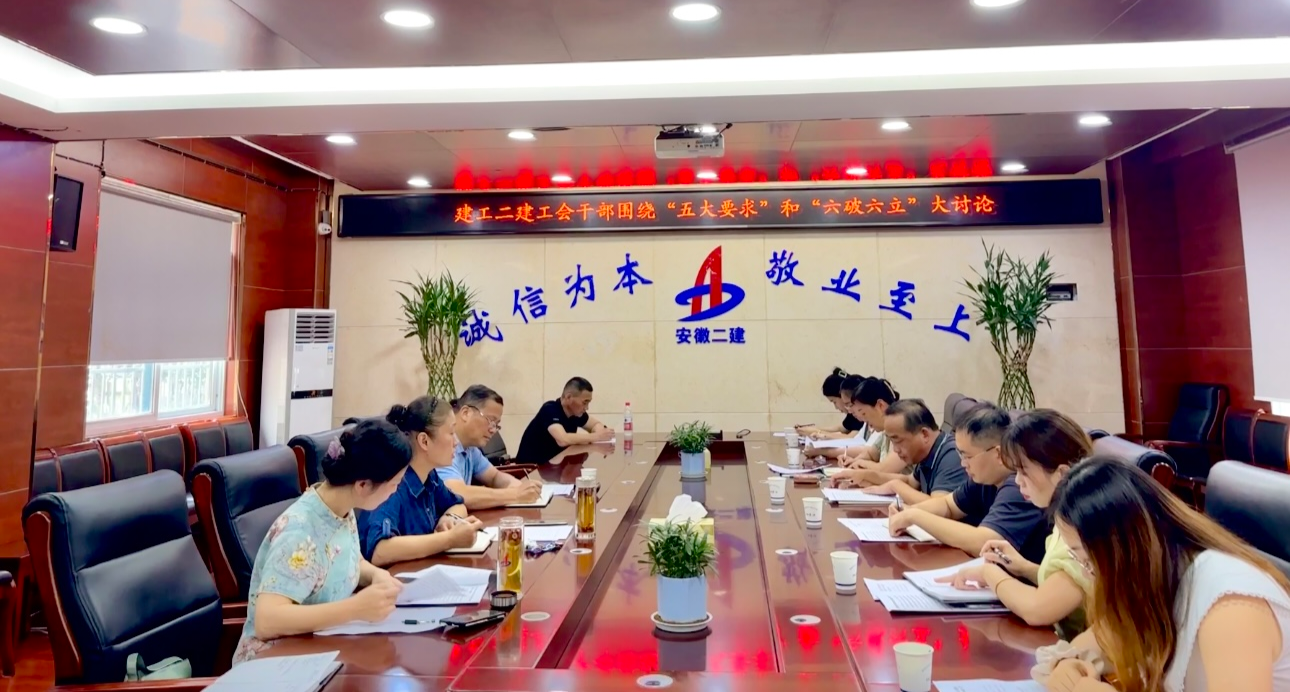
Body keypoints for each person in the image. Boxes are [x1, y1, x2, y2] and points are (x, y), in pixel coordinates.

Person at [1039, 457, 1290, 692]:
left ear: (1125, 547)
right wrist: (1068, 663)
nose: (1088, 574)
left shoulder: (1230, 603)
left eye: (1087, 560)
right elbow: (1100, 639)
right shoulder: (1154, 579)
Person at [233, 419, 411, 664]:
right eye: (394, 484)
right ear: (362, 484)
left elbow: (344, 559)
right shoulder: (300, 531)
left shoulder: (340, 508)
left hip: (317, 649)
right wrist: (356, 608)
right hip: (272, 663)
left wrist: (375, 575)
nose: (395, 491)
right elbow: (267, 621)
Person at [938, 409, 1093, 640]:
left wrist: (989, 573)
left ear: (1061, 473)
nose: (1018, 481)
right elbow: (1070, 585)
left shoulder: (1084, 527)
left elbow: (1037, 609)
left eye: (1023, 471)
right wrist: (1023, 568)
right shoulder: (1065, 516)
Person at [886, 403, 1047, 564]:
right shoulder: (985, 479)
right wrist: (907, 511)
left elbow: (984, 543)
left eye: (967, 456)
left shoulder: (1020, 486)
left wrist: (915, 516)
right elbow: (948, 505)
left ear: (998, 453)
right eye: (960, 455)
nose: (963, 463)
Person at [359, 396, 481, 567]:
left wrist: (448, 518)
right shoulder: (392, 484)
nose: (456, 442)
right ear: (424, 441)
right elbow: (380, 551)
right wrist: (449, 539)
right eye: (451, 433)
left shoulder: (430, 476)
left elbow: (458, 505)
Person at [827, 399, 966, 505]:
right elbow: (910, 482)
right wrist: (863, 475)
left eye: (897, 440)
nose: (895, 449)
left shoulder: (952, 455)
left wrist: (895, 486)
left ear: (924, 434)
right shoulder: (928, 451)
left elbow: (939, 507)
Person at [438, 384, 542, 510]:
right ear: (466, 413)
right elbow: (457, 493)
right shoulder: (442, 443)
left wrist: (521, 487)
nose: (493, 430)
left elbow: (494, 477)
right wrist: (515, 495)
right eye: (490, 420)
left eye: (496, 424)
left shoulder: (471, 449)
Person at [516, 377, 614, 464]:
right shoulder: (550, 409)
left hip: (553, 468)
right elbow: (562, 439)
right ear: (568, 397)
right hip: (530, 470)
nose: (587, 408)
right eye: (584, 403)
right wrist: (596, 436)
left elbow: (595, 424)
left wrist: (600, 433)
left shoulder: (576, 413)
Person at [836, 376, 907, 472]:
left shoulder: (903, 429)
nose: (863, 420)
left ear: (880, 405)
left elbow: (886, 469)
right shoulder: (885, 431)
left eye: (864, 413)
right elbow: (870, 454)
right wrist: (852, 461)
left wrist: (860, 464)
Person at [796, 368, 865, 440]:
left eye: (834, 402)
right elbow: (842, 428)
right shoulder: (853, 413)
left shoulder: (859, 412)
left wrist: (817, 432)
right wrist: (812, 429)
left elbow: (851, 438)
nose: (836, 407)